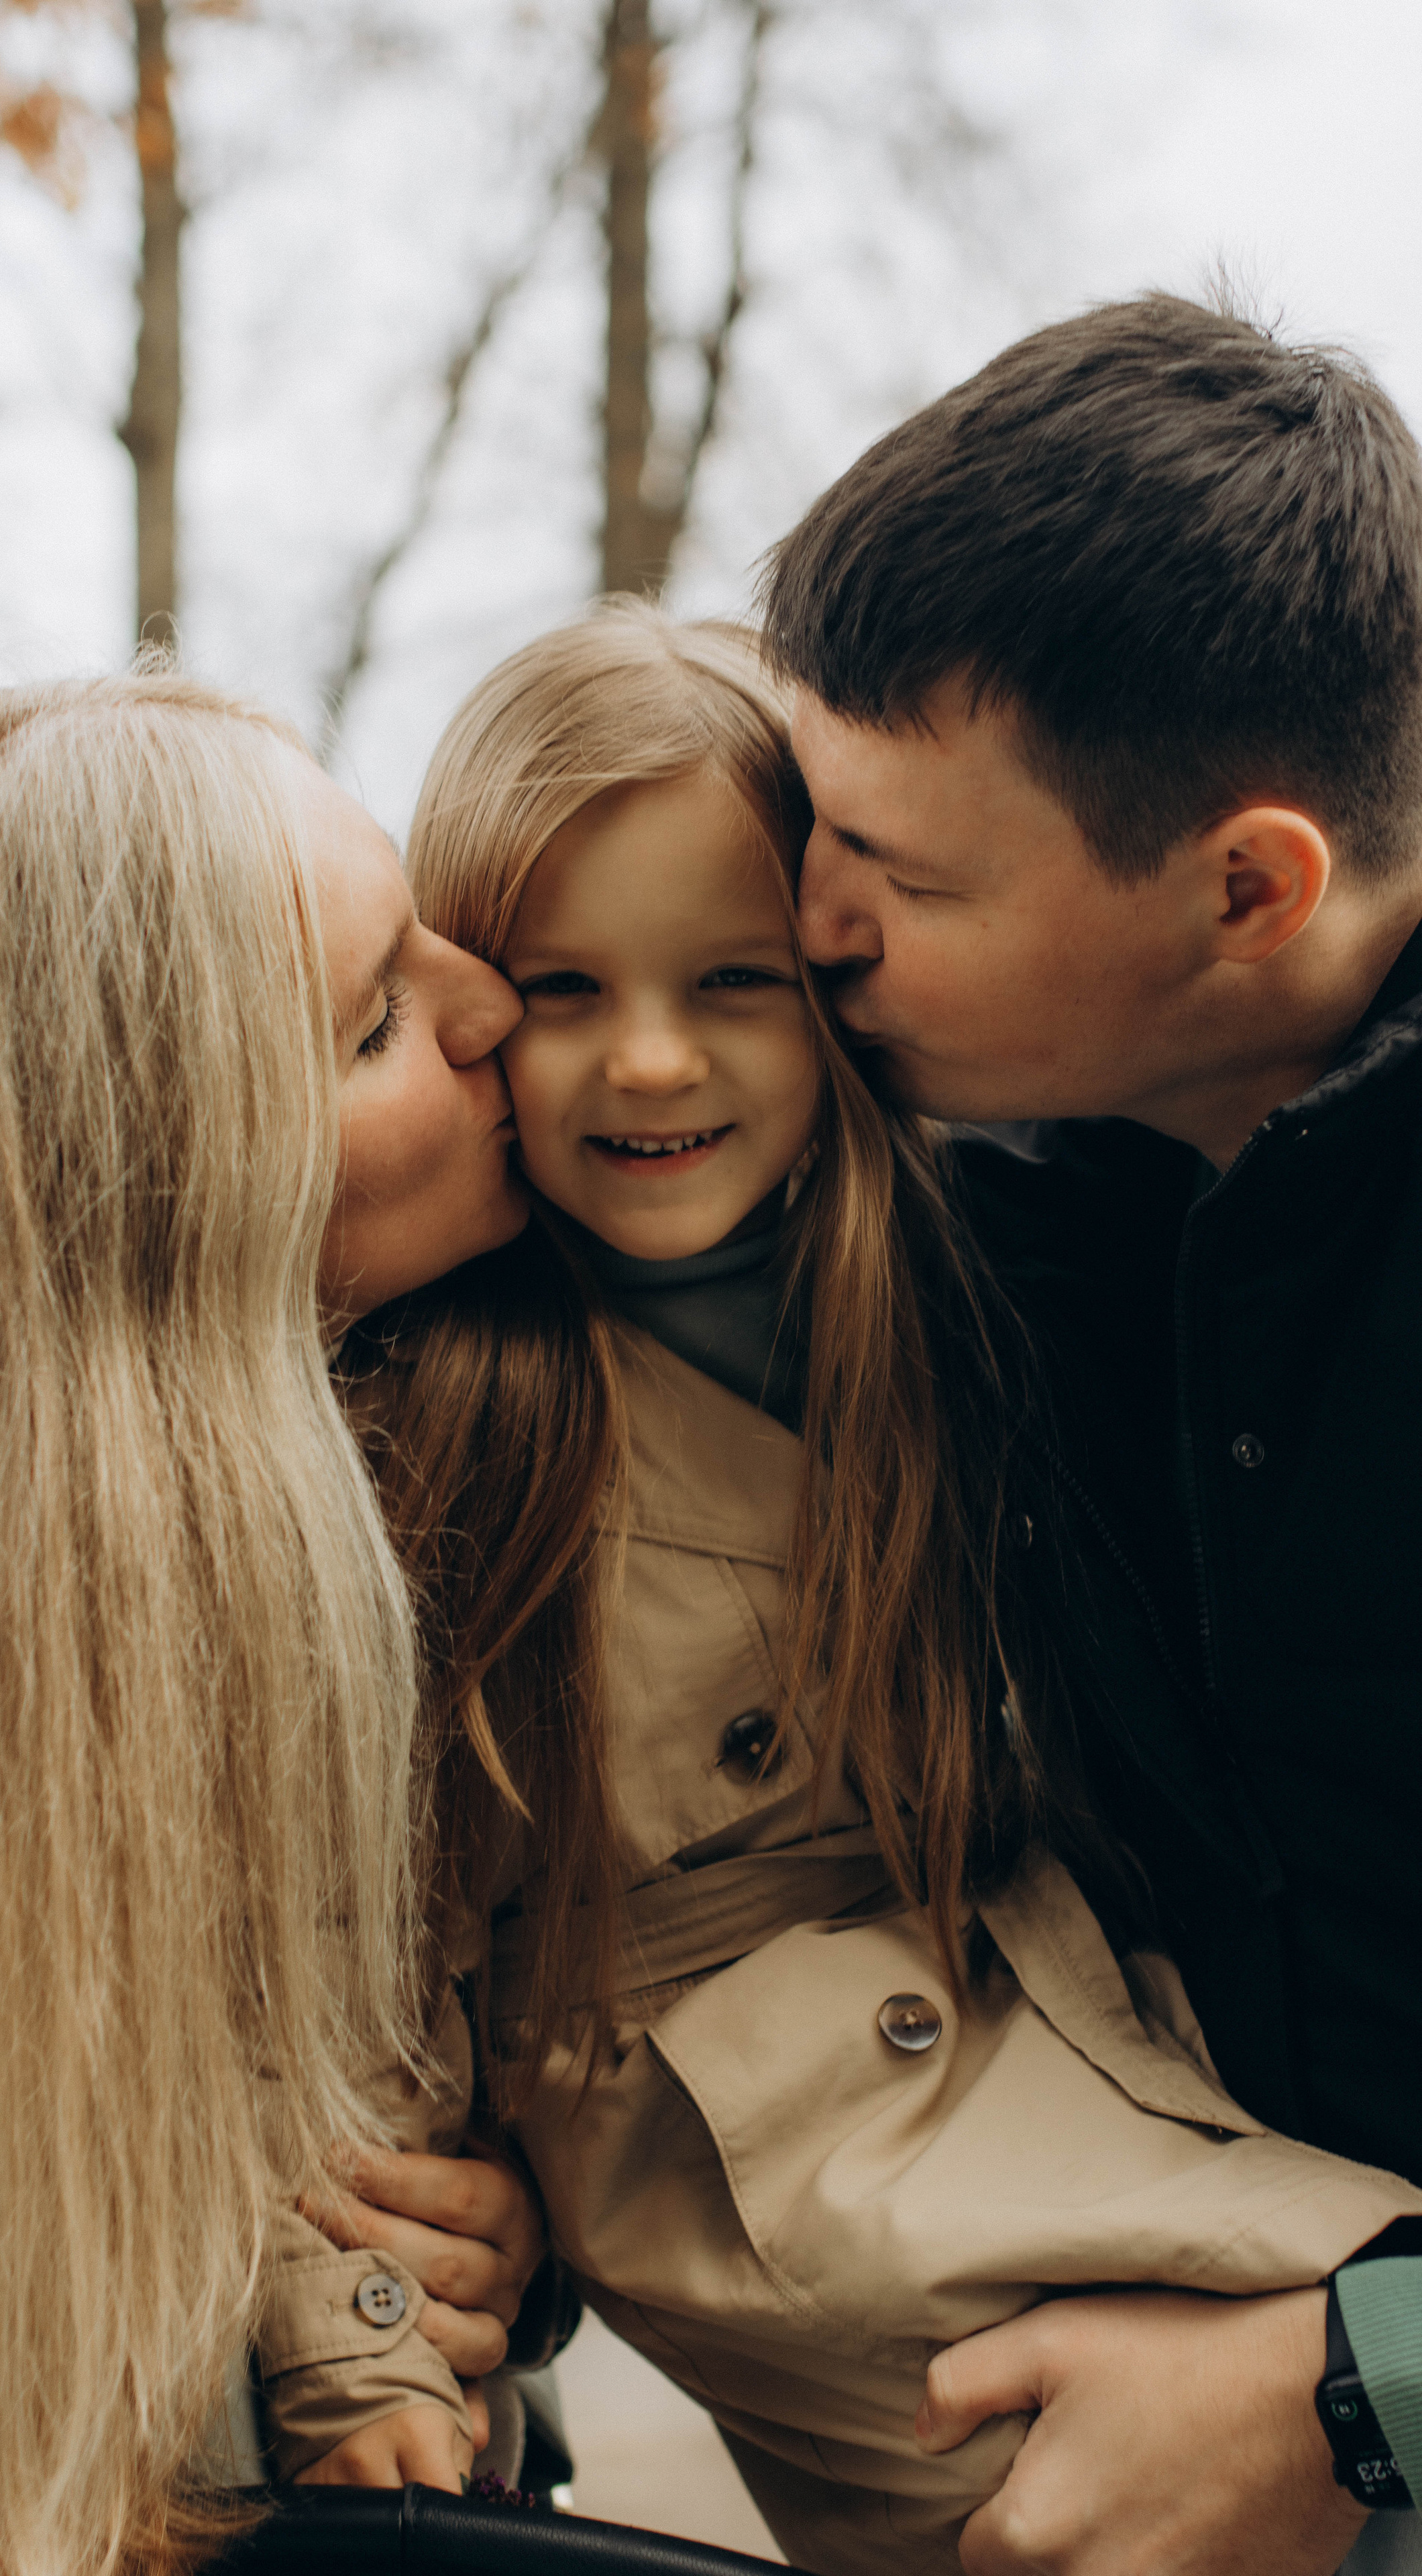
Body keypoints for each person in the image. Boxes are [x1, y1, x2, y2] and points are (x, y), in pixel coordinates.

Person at [255, 604, 1419, 2576]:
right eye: (559, 986)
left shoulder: (951, 1293)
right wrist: (374, 2344)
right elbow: (372, 1943)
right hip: (799, 2177)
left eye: (735, 979)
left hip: (1089, 2046)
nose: (647, 1058)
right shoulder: (454, 1421)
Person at [0, 669, 535, 2576]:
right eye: (381, 1019)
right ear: (154, 1193)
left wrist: (503, 2230)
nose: (497, 1005)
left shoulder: (507, 1425)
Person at [762, 291, 1422, 2576]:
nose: (809, 925)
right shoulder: (985, 1189)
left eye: (907, 881)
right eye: (808, 816)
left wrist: (1365, 2395)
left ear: (1250, 890)